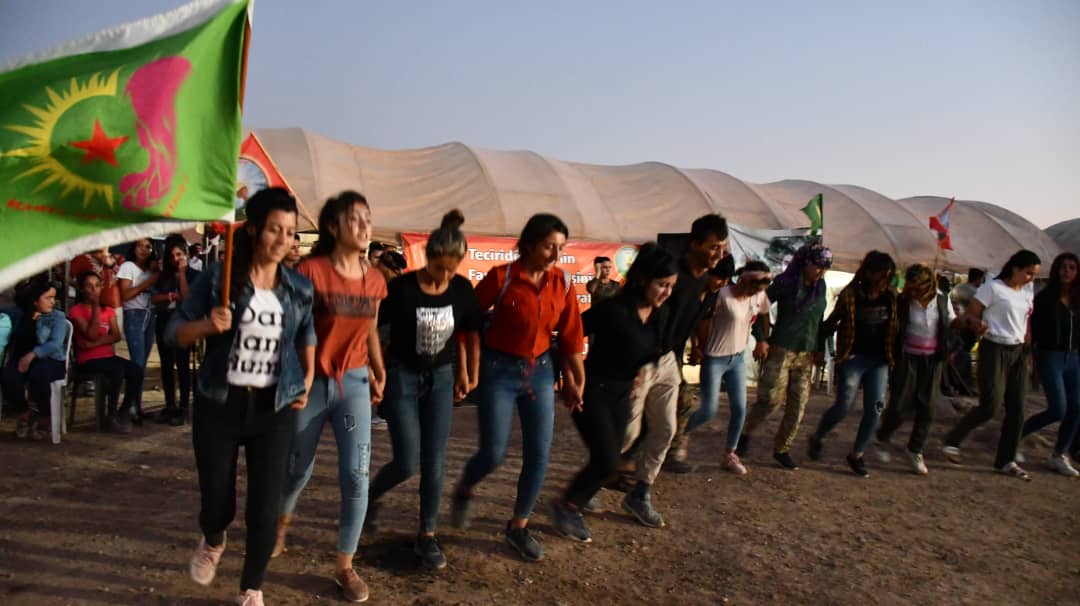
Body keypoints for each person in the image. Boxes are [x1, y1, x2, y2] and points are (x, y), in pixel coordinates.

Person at [166, 187, 314, 606]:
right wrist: (205, 326)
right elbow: (173, 331)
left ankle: (251, 588)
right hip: (220, 404)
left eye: (290, 232)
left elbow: (306, 332)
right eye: (274, 229)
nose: (283, 240)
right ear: (253, 230)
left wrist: (306, 378)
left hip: (274, 408)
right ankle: (213, 538)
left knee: (265, 508)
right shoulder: (219, 277)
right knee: (217, 502)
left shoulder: (299, 287)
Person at [449, 213, 586, 563]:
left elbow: (571, 337)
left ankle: (518, 526)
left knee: (539, 454)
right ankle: (465, 487)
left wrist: (575, 380)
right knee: (493, 453)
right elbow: (467, 319)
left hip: (540, 371)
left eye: (561, 248)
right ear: (528, 245)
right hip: (499, 371)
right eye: (549, 246)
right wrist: (467, 367)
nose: (556, 255)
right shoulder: (502, 277)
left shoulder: (562, 283)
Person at [276, 190, 387, 603]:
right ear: (332, 227)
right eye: (354, 219)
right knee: (297, 469)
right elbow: (290, 331)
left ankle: (345, 565)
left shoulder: (375, 279)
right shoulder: (310, 271)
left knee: (356, 475)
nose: (364, 226)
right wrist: (293, 380)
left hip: (353, 386)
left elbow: (370, 327)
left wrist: (378, 368)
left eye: (367, 218)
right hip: (311, 385)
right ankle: (280, 526)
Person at [365, 210, 482, 569]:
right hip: (402, 376)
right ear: (427, 258)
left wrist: (468, 373)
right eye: (438, 268)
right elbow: (372, 328)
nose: (444, 276)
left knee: (435, 460)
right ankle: (369, 497)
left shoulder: (462, 289)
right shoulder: (402, 289)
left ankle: (427, 534)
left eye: (451, 269)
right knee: (407, 461)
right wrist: (377, 371)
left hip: (441, 378)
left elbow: (469, 333)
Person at [550, 243, 675, 543]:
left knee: (610, 460)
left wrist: (641, 371)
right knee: (606, 460)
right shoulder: (613, 310)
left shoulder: (659, 314)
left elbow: (651, 350)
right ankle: (567, 507)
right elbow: (567, 337)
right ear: (643, 280)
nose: (666, 292)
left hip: (622, 394)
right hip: (591, 391)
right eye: (661, 285)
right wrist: (568, 379)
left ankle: (572, 502)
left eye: (671, 286)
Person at [621, 214, 727, 524]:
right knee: (628, 432)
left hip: (669, 361)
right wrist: (635, 360)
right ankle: (589, 484)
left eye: (722, 247)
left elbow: (694, 319)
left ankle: (640, 493)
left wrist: (696, 346)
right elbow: (639, 311)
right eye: (713, 247)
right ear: (694, 244)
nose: (719, 254)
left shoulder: (704, 283)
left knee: (666, 429)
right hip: (643, 359)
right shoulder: (670, 273)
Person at [943, 249, 1041, 479]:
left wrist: (1028, 345)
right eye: (1028, 273)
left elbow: (1026, 319)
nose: (1031, 278)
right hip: (994, 347)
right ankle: (953, 439)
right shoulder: (993, 288)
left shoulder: (1027, 291)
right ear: (1015, 268)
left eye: (1034, 275)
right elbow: (971, 314)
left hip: (1018, 351)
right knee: (991, 405)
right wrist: (977, 324)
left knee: (1018, 408)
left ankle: (1006, 460)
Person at [739, 243, 833, 470]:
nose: (821, 271)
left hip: (806, 353)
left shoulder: (820, 286)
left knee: (798, 404)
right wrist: (761, 338)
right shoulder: (786, 282)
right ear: (806, 263)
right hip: (781, 349)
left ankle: (782, 449)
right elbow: (759, 305)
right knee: (770, 400)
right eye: (817, 266)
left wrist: (820, 348)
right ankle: (744, 432)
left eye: (825, 267)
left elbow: (818, 320)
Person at [808, 251, 898, 478]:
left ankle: (857, 454)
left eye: (888, 277)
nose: (884, 281)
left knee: (875, 409)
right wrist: (819, 349)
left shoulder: (891, 297)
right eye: (881, 275)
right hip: (853, 358)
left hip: (879, 360)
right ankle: (818, 436)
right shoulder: (851, 295)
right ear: (869, 273)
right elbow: (829, 324)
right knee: (843, 406)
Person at [684, 261, 772, 475]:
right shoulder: (722, 295)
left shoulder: (758, 295)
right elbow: (699, 321)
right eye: (752, 288)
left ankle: (730, 454)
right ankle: (674, 437)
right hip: (715, 358)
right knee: (708, 410)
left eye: (758, 290)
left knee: (740, 409)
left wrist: (763, 340)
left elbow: (764, 314)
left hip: (737, 359)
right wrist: (697, 346)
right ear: (743, 280)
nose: (753, 293)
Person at [876, 264, 959, 475]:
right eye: (910, 287)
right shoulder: (903, 301)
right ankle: (883, 436)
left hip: (933, 359)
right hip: (907, 358)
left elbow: (950, 323)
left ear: (928, 285)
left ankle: (915, 449)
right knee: (900, 405)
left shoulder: (942, 299)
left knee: (928, 406)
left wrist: (961, 330)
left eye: (917, 287)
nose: (913, 291)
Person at [1020, 252, 1080, 476]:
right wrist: (1029, 355)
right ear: (1056, 270)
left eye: (1072, 267)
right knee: (1058, 409)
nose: (1067, 271)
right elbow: (1032, 330)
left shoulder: (1078, 299)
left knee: (1077, 408)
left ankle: (1059, 455)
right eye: (1063, 267)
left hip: (1073, 358)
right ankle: (1015, 437)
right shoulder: (1044, 298)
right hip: (1049, 356)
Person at [68, 272, 145, 434]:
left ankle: (123, 412)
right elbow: (91, 333)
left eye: (97, 286)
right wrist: (96, 308)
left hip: (107, 356)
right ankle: (111, 416)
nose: (94, 290)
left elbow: (116, 335)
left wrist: (93, 344)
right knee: (117, 370)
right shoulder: (76, 311)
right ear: (82, 289)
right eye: (89, 286)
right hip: (88, 360)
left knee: (136, 370)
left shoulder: (108, 310)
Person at [1, 277, 67, 440]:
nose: (52, 302)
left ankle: (45, 417)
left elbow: (55, 344)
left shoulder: (57, 317)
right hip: (25, 359)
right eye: (48, 298)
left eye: (53, 298)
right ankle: (23, 413)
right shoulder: (23, 315)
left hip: (51, 360)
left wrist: (33, 354)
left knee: (39, 376)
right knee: (8, 377)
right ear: (35, 301)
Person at [151, 237, 198, 426]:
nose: (176, 259)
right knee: (166, 365)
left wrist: (182, 275)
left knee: (183, 365)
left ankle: (183, 406)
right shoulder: (164, 275)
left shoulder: (194, 274)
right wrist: (169, 296)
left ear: (185, 254)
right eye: (172, 256)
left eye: (179, 254)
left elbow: (187, 298)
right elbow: (154, 298)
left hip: (184, 324)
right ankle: (170, 405)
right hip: (164, 320)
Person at [117, 237, 159, 424]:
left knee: (143, 363)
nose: (144, 250)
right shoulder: (128, 267)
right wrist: (148, 283)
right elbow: (125, 294)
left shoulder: (152, 269)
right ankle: (130, 407)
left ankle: (138, 405)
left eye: (148, 246)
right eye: (140, 246)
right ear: (133, 248)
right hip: (134, 314)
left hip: (150, 314)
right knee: (137, 362)